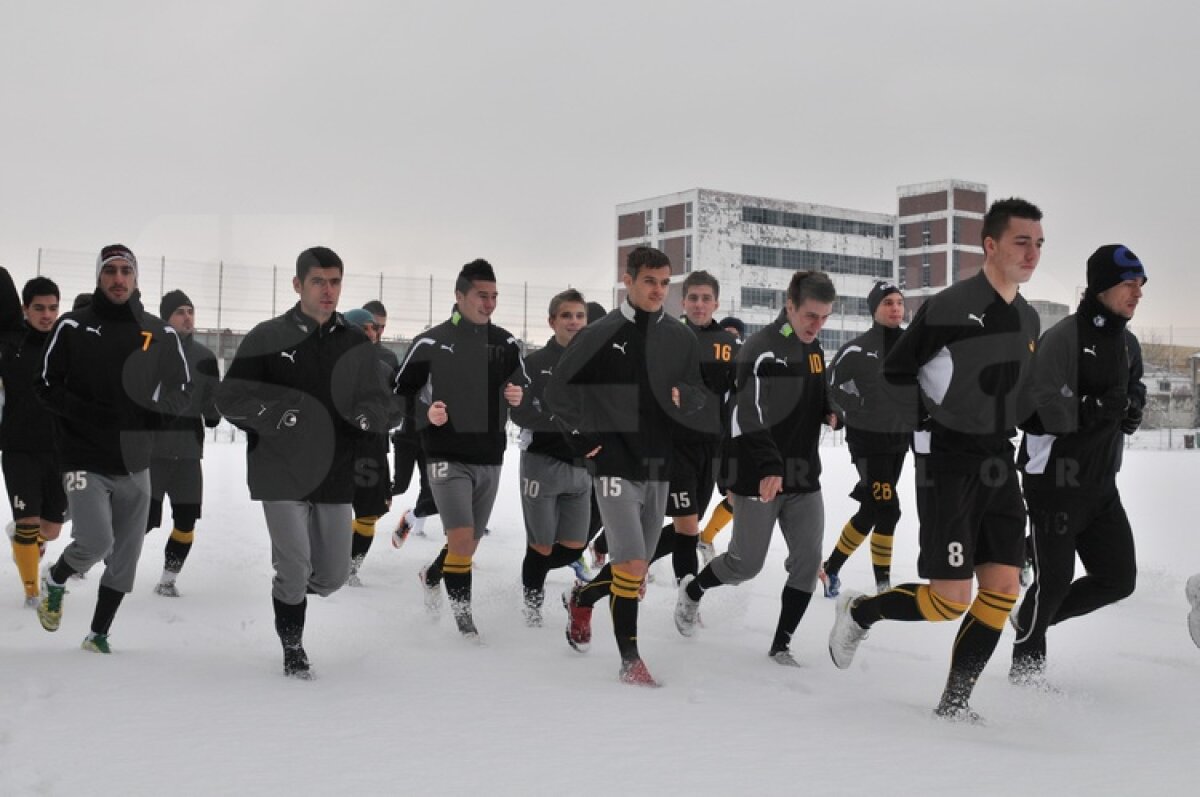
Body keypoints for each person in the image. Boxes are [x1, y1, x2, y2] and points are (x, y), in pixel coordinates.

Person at [828, 198, 1044, 722]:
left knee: (1002, 588)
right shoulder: (950, 305)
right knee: (950, 599)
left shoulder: (1030, 317)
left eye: (1039, 243)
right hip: (947, 460)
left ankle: (954, 703)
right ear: (990, 245)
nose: (1032, 252)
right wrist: (931, 421)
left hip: (999, 459)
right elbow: (900, 371)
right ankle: (860, 611)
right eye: (1022, 241)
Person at [216, 246, 389, 678]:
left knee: (331, 577)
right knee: (293, 568)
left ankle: (292, 591)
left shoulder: (355, 342)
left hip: (335, 470)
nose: (328, 291)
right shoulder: (267, 336)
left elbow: (378, 400)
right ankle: (292, 648)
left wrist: (370, 415)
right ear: (298, 285)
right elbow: (229, 398)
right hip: (280, 473)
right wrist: (274, 413)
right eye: (318, 282)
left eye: (334, 282)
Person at [547, 246, 705, 686]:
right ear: (629, 281)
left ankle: (583, 598)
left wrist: (686, 398)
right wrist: (586, 441)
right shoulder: (601, 331)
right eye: (649, 282)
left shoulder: (680, 336)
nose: (657, 290)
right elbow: (558, 392)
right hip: (614, 464)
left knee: (629, 572)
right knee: (633, 568)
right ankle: (629, 661)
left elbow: (696, 391)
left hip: (659, 465)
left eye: (664, 283)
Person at [674, 272, 839, 666]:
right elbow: (748, 414)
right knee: (745, 564)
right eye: (811, 316)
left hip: (802, 474)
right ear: (790, 306)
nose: (817, 326)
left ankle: (781, 645)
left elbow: (818, 391)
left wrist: (832, 409)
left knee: (807, 560)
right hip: (758, 472)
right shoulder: (759, 349)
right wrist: (768, 467)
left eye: (824, 318)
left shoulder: (813, 348)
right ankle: (694, 591)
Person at [36, 244, 192, 653]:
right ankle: (56, 578)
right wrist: (88, 414)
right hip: (82, 457)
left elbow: (183, 389)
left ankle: (98, 634)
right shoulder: (72, 325)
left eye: (126, 271)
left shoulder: (160, 332)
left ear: (136, 278)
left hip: (136, 462)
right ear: (99, 277)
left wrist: (153, 419)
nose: (119, 279)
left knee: (125, 558)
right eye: (111, 271)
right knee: (95, 541)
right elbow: (45, 386)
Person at [1009, 244, 1147, 684]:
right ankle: (1025, 680)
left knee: (1118, 578)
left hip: (1101, 482)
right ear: (1103, 286)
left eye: (1141, 285)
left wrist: (1132, 408)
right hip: (1054, 479)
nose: (1137, 293)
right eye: (1129, 284)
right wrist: (1092, 407)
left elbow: (1133, 389)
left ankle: (1033, 616)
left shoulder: (1127, 343)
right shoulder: (1064, 337)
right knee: (1054, 580)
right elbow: (1030, 410)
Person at [393, 259, 527, 639]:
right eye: (481, 296)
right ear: (459, 296)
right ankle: (466, 628)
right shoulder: (431, 341)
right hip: (444, 455)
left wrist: (520, 395)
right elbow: (397, 394)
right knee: (463, 538)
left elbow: (526, 390)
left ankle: (432, 574)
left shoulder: (505, 343)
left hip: (490, 455)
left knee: (466, 543)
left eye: (494, 296)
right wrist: (425, 411)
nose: (489, 303)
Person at [819, 281, 911, 597]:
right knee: (889, 509)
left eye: (899, 302)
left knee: (872, 509)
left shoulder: (913, 345)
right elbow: (827, 387)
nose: (895, 308)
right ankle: (883, 585)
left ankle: (830, 568)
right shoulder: (857, 349)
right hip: (867, 442)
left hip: (900, 441)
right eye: (887, 303)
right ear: (874, 309)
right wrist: (850, 409)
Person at [509, 289, 592, 626]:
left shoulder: (594, 361)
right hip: (541, 465)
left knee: (574, 546)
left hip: (581, 468)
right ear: (552, 321)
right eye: (567, 316)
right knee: (541, 545)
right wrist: (562, 423)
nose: (574, 322)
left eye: (579, 316)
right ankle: (533, 606)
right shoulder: (534, 364)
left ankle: (534, 579)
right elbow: (520, 415)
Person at [145, 290, 222, 597]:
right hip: (152, 451)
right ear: (166, 318)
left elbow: (211, 405)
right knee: (142, 522)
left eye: (190, 310)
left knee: (186, 521)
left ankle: (167, 579)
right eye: (179, 312)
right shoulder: (150, 350)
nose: (187, 317)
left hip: (189, 453)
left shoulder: (205, 357)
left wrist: (215, 411)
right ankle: (93, 559)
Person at [0, 270, 67, 607]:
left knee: (51, 529)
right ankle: (32, 593)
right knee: (28, 525)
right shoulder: (10, 343)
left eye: (53, 308)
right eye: (39, 308)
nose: (46, 315)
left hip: (59, 450)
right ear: (25, 309)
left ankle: (26, 544)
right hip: (18, 447)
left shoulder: (66, 343)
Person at [342, 303, 404, 586]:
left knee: (369, 511)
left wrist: (383, 421)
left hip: (374, 448)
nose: (372, 332)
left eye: (375, 327)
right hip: (338, 449)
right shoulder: (332, 364)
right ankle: (323, 560)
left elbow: (398, 404)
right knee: (331, 509)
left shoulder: (386, 363)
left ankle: (351, 567)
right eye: (364, 328)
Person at [696, 315, 746, 564]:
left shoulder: (743, 375)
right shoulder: (704, 371)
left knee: (737, 497)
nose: (729, 342)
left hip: (731, 444)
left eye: (735, 337)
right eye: (726, 334)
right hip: (702, 441)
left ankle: (704, 539)